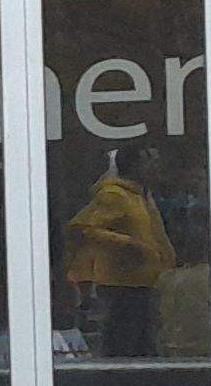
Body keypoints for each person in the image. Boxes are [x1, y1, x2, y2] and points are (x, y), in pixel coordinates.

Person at [66, 147, 177, 359]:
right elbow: (82, 228)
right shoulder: (114, 195)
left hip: (145, 281)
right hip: (121, 284)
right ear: (134, 166)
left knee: (143, 343)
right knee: (123, 345)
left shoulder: (142, 195)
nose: (156, 168)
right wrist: (128, 244)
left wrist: (166, 259)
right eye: (150, 163)